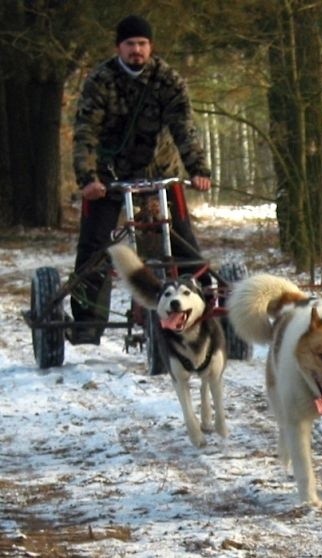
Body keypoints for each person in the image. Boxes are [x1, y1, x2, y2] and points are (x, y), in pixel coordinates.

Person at [70, 14, 211, 344]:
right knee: (95, 245)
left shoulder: (167, 80)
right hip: (109, 177)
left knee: (181, 242)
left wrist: (198, 169)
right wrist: (87, 178)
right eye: (130, 44)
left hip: (157, 175)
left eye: (142, 44)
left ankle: (202, 310)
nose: (137, 50)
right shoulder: (101, 80)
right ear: (119, 47)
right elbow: (85, 133)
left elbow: (183, 128)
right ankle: (88, 323)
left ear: (151, 46)